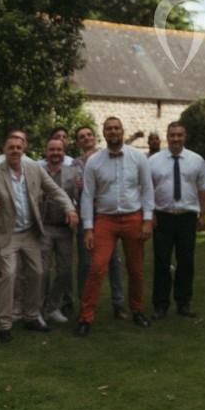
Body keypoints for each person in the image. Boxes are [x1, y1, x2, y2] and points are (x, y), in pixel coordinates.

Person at [0, 132, 78, 344]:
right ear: (4, 151)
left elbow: (56, 191)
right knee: (8, 274)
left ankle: (31, 316)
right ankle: (4, 324)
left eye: (19, 147)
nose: (16, 150)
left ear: (24, 149)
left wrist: (70, 209)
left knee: (38, 272)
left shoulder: (34, 169)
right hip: (7, 234)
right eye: (11, 147)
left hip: (30, 233)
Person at [75, 116, 154, 336]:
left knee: (136, 269)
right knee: (97, 268)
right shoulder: (94, 161)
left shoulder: (138, 157)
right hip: (105, 220)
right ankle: (86, 317)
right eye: (109, 129)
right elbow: (88, 196)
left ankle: (137, 310)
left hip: (133, 218)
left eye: (116, 128)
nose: (113, 132)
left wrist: (147, 220)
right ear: (104, 132)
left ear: (122, 130)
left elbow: (147, 190)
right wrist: (88, 228)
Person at [148, 121, 205, 319]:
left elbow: (204, 187)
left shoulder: (197, 160)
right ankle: (160, 305)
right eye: (172, 135)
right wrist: (149, 214)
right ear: (167, 137)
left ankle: (183, 303)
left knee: (186, 262)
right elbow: (147, 190)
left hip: (187, 218)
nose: (176, 138)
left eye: (179, 135)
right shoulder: (154, 161)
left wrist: (202, 214)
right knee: (161, 262)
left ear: (185, 137)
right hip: (162, 218)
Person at [71, 125, 126, 319]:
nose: (86, 138)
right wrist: (76, 187)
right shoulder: (75, 164)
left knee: (113, 261)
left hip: (105, 213)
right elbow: (74, 193)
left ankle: (118, 304)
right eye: (81, 137)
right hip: (85, 215)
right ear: (78, 143)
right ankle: (84, 303)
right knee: (86, 263)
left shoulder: (107, 157)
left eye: (88, 135)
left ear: (95, 138)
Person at [39, 136, 79, 324]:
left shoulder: (73, 173)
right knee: (42, 271)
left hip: (64, 230)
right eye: (52, 150)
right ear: (46, 152)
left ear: (64, 152)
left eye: (59, 150)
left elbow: (78, 199)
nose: (55, 153)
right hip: (44, 227)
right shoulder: (37, 172)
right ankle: (39, 309)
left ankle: (52, 307)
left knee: (64, 271)